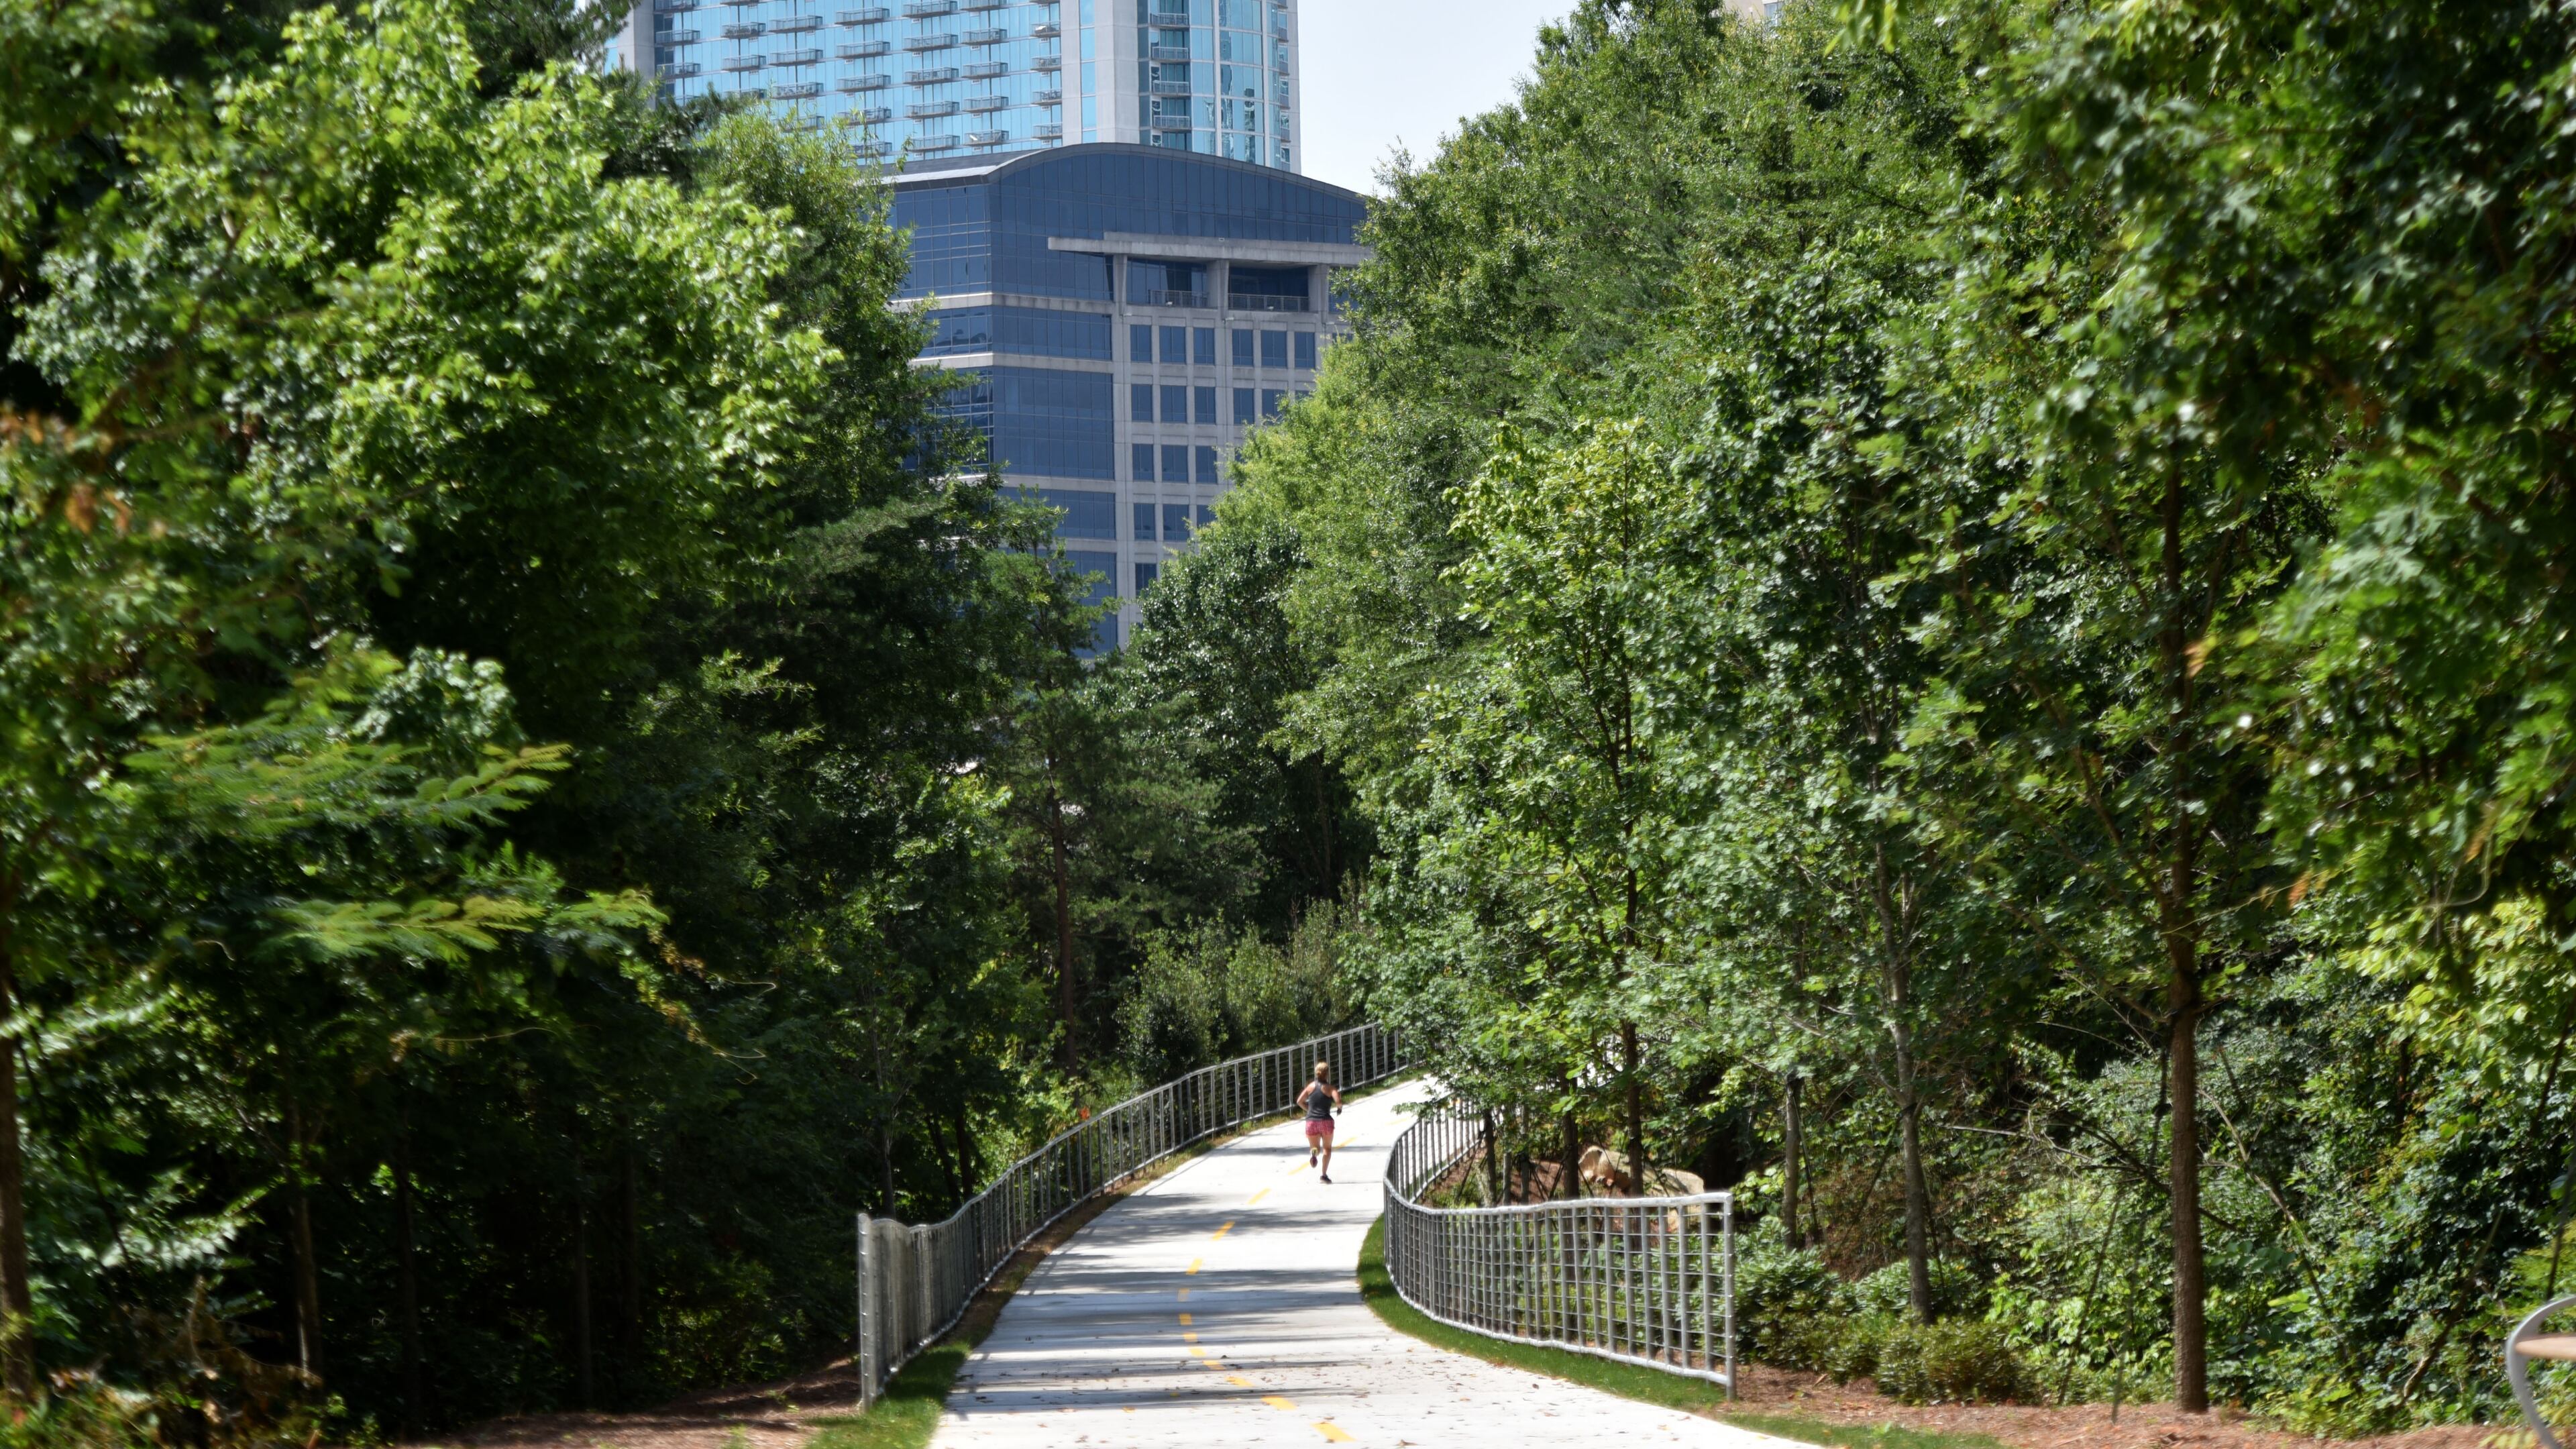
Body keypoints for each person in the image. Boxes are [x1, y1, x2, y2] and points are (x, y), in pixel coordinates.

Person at [1298, 1061, 1342, 1182]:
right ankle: (1324, 1174)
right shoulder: (1331, 1088)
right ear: (1327, 1074)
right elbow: (1338, 1101)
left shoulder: (1310, 1087)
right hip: (1326, 1122)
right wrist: (1339, 1109)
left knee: (1316, 1147)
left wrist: (1309, 1109)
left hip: (1311, 1122)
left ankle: (1314, 1152)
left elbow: (1299, 1101)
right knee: (1327, 1149)